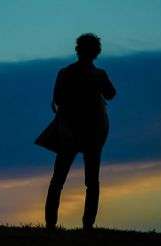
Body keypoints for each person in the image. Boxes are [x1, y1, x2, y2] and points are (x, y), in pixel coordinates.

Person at [45, 33, 116, 230]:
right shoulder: (99, 74)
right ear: (96, 52)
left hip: (70, 131)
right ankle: (87, 225)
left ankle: (51, 225)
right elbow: (111, 94)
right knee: (92, 181)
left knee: (58, 179)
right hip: (92, 132)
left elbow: (58, 100)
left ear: (78, 50)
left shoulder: (65, 73)